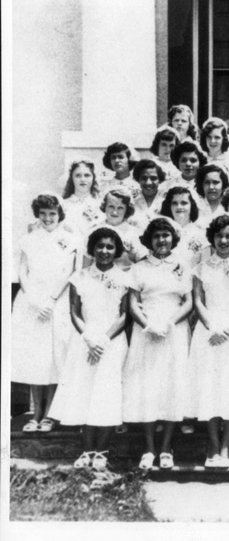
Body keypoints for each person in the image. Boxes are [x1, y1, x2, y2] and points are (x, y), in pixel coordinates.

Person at [48, 227, 130, 470]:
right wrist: (89, 338)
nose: (104, 251)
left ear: (116, 251)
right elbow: (74, 312)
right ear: (92, 249)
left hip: (112, 342)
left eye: (110, 247)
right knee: (85, 393)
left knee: (106, 395)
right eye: (100, 246)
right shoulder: (79, 277)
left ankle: (102, 450)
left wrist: (103, 339)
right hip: (85, 342)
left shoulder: (125, 277)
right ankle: (87, 449)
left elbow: (125, 315)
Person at [122, 217, 194, 470]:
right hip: (147, 331)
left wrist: (169, 323)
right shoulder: (139, 268)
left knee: (172, 386)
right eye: (156, 236)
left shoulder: (183, 266)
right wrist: (149, 325)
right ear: (149, 240)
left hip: (173, 330)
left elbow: (188, 301)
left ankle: (166, 447)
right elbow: (132, 304)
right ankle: (149, 447)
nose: (162, 240)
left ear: (173, 238)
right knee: (148, 388)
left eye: (166, 235)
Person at [188, 214, 229, 468]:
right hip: (208, 332)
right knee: (210, 387)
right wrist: (211, 327)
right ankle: (213, 443)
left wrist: (227, 328)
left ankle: (227, 443)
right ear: (212, 238)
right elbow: (197, 301)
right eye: (219, 236)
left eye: (228, 236)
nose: (224, 240)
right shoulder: (201, 267)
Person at [13, 193, 76, 433]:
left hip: (56, 303)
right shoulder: (28, 239)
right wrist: (35, 300)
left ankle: (50, 413)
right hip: (31, 303)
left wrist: (50, 300)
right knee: (35, 359)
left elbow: (67, 271)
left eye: (52, 213)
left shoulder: (69, 239)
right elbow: (23, 272)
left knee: (55, 357)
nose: (48, 218)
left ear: (60, 214)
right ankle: (36, 412)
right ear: (37, 215)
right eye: (43, 213)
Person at [89, 188, 147, 271]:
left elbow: (143, 264)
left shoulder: (135, 233)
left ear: (127, 209)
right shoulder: (93, 230)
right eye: (111, 206)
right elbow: (86, 264)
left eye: (120, 208)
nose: (115, 212)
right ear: (104, 207)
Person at [159, 185, 208, 268]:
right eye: (174, 203)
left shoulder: (202, 234)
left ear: (191, 205)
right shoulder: (161, 232)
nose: (179, 207)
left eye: (184, 203)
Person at [61, 160, 103, 239]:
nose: (82, 179)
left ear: (93, 178)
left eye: (87, 175)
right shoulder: (63, 205)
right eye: (78, 175)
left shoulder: (100, 204)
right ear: (71, 178)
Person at [131, 159, 168, 228]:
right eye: (144, 178)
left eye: (153, 178)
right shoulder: (132, 201)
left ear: (160, 180)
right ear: (138, 179)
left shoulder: (167, 200)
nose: (148, 183)